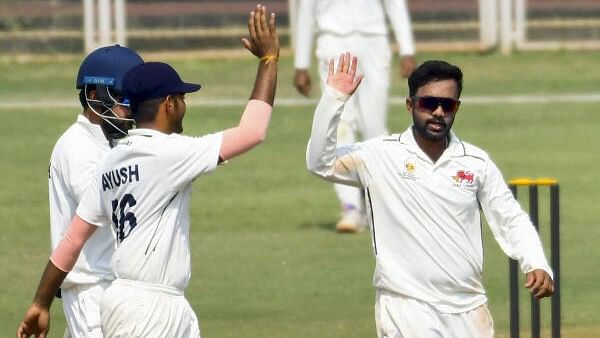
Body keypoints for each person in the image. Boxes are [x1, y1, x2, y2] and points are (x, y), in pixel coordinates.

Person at [17, 4, 278, 338]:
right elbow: (252, 131)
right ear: (169, 103)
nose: (186, 105)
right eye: (182, 98)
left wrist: (40, 302)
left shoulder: (114, 158)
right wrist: (269, 61)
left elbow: (72, 239)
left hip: (139, 298)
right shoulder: (163, 154)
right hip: (124, 299)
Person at [306, 54, 554, 337]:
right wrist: (334, 99)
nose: (438, 112)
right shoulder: (380, 155)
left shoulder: (475, 162)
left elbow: (510, 217)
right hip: (407, 308)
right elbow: (319, 163)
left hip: (469, 309)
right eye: (428, 103)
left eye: (447, 105)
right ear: (411, 105)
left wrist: (535, 261)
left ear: (456, 108)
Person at [294, 0, 417, 232]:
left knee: (374, 127)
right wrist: (301, 64)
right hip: (333, 41)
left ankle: (380, 204)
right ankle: (350, 205)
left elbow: (395, 4)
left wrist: (407, 50)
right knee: (340, 124)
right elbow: (307, 11)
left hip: (373, 40)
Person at [48, 44, 143, 338]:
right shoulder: (77, 145)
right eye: (124, 98)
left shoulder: (111, 143)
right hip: (90, 290)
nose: (130, 109)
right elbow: (104, 204)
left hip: (115, 288)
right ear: (94, 95)